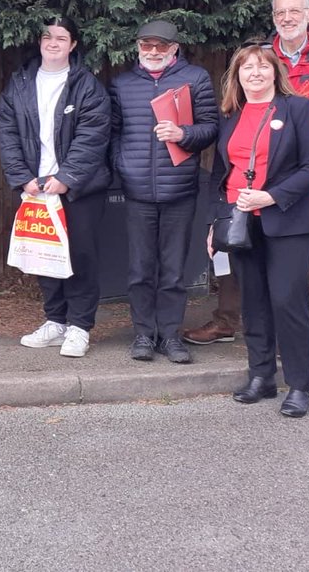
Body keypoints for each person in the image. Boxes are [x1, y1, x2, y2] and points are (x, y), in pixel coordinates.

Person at [184, 0, 309, 345]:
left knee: (298, 266)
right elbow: (237, 113)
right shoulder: (262, 57)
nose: (287, 18)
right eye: (280, 12)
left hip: (308, 180)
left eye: (295, 11)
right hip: (250, 181)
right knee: (237, 248)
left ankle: (289, 336)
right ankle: (227, 322)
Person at [209, 44, 309, 417]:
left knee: (288, 302)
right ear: (237, 76)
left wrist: (270, 196)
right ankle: (261, 377)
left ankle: (299, 385)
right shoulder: (231, 114)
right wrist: (216, 224)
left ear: (275, 72)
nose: (254, 73)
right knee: (254, 301)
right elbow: (220, 175)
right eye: (246, 68)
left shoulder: (298, 109)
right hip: (242, 224)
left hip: (287, 222)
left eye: (262, 67)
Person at [0, 18, 112, 358]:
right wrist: (22, 177)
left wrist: (66, 178)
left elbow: (92, 137)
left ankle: (79, 327)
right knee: (43, 255)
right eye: (47, 36)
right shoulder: (18, 84)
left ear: (73, 45)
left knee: (80, 256)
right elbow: (7, 134)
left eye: (61, 37)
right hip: (35, 187)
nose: (53, 42)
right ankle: (55, 321)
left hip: (79, 189)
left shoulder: (87, 86)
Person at [109, 20, 218, 364]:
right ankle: (143, 333)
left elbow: (211, 127)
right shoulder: (122, 85)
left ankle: (170, 336)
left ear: (174, 49)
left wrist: (183, 134)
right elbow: (111, 133)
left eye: (161, 46)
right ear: (138, 47)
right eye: (146, 45)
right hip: (137, 191)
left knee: (173, 271)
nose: (153, 52)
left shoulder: (195, 79)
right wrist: (122, 164)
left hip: (180, 191)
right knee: (140, 269)